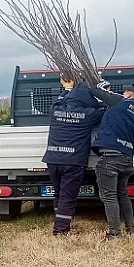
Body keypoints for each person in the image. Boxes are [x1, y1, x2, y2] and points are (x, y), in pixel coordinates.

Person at [41, 77, 106, 235]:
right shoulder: (88, 115)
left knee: (58, 193)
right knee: (67, 197)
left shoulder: (55, 111)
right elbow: (105, 110)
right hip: (73, 162)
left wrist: (67, 89)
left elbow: (58, 101)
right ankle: (61, 231)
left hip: (52, 159)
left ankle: (58, 221)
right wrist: (101, 93)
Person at [87, 80, 134, 239]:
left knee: (109, 196)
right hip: (127, 158)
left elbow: (94, 91)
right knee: (122, 194)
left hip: (110, 157)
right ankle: (131, 230)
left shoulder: (121, 102)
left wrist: (102, 88)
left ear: (128, 94)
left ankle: (115, 233)